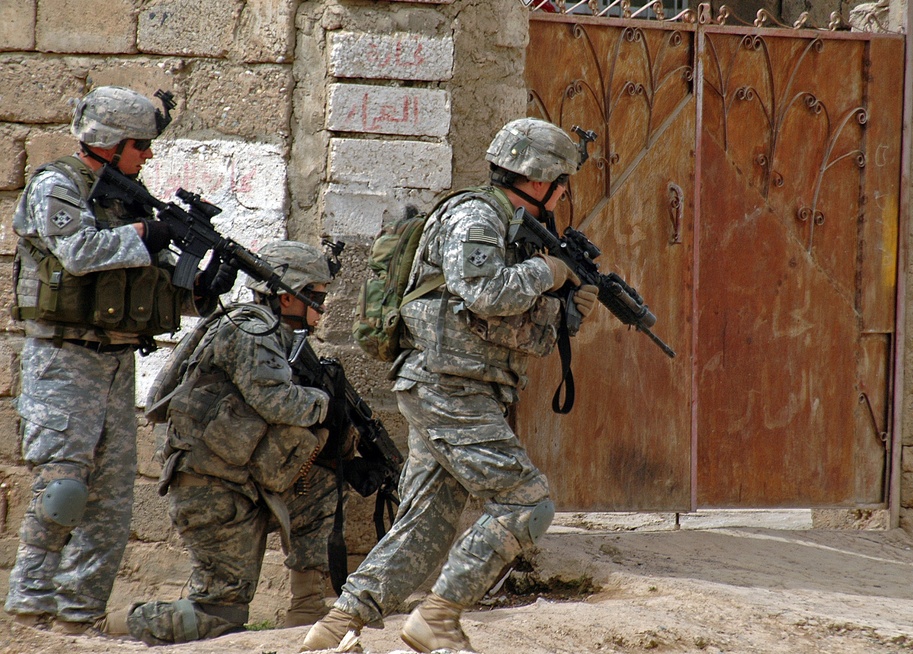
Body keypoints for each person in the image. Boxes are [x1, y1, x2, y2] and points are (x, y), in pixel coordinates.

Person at [303, 117, 600, 653]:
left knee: (427, 523)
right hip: (447, 387)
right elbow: (486, 294)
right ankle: (437, 616)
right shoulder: (476, 217)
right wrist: (550, 274)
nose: (562, 194)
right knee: (525, 503)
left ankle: (336, 627)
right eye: (562, 182)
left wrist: (566, 314)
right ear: (539, 181)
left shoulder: (510, 226)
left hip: (457, 386)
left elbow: (501, 326)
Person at [5, 86, 235, 635]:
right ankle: (29, 612)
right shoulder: (58, 185)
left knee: (110, 506)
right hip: (62, 361)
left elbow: (146, 284)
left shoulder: (128, 198)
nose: (148, 157)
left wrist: (198, 289)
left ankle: (78, 621)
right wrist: (144, 231)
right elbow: (79, 253)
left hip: (115, 361)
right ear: (111, 144)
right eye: (141, 146)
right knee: (62, 492)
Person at [121, 240, 354, 645]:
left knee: (324, 480)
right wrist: (324, 406)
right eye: (316, 296)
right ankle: (116, 623)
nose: (322, 307)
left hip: (244, 480)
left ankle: (306, 609)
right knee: (220, 616)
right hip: (212, 490)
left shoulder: (278, 335)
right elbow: (275, 400)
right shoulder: (250, 328)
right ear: (287, 297)